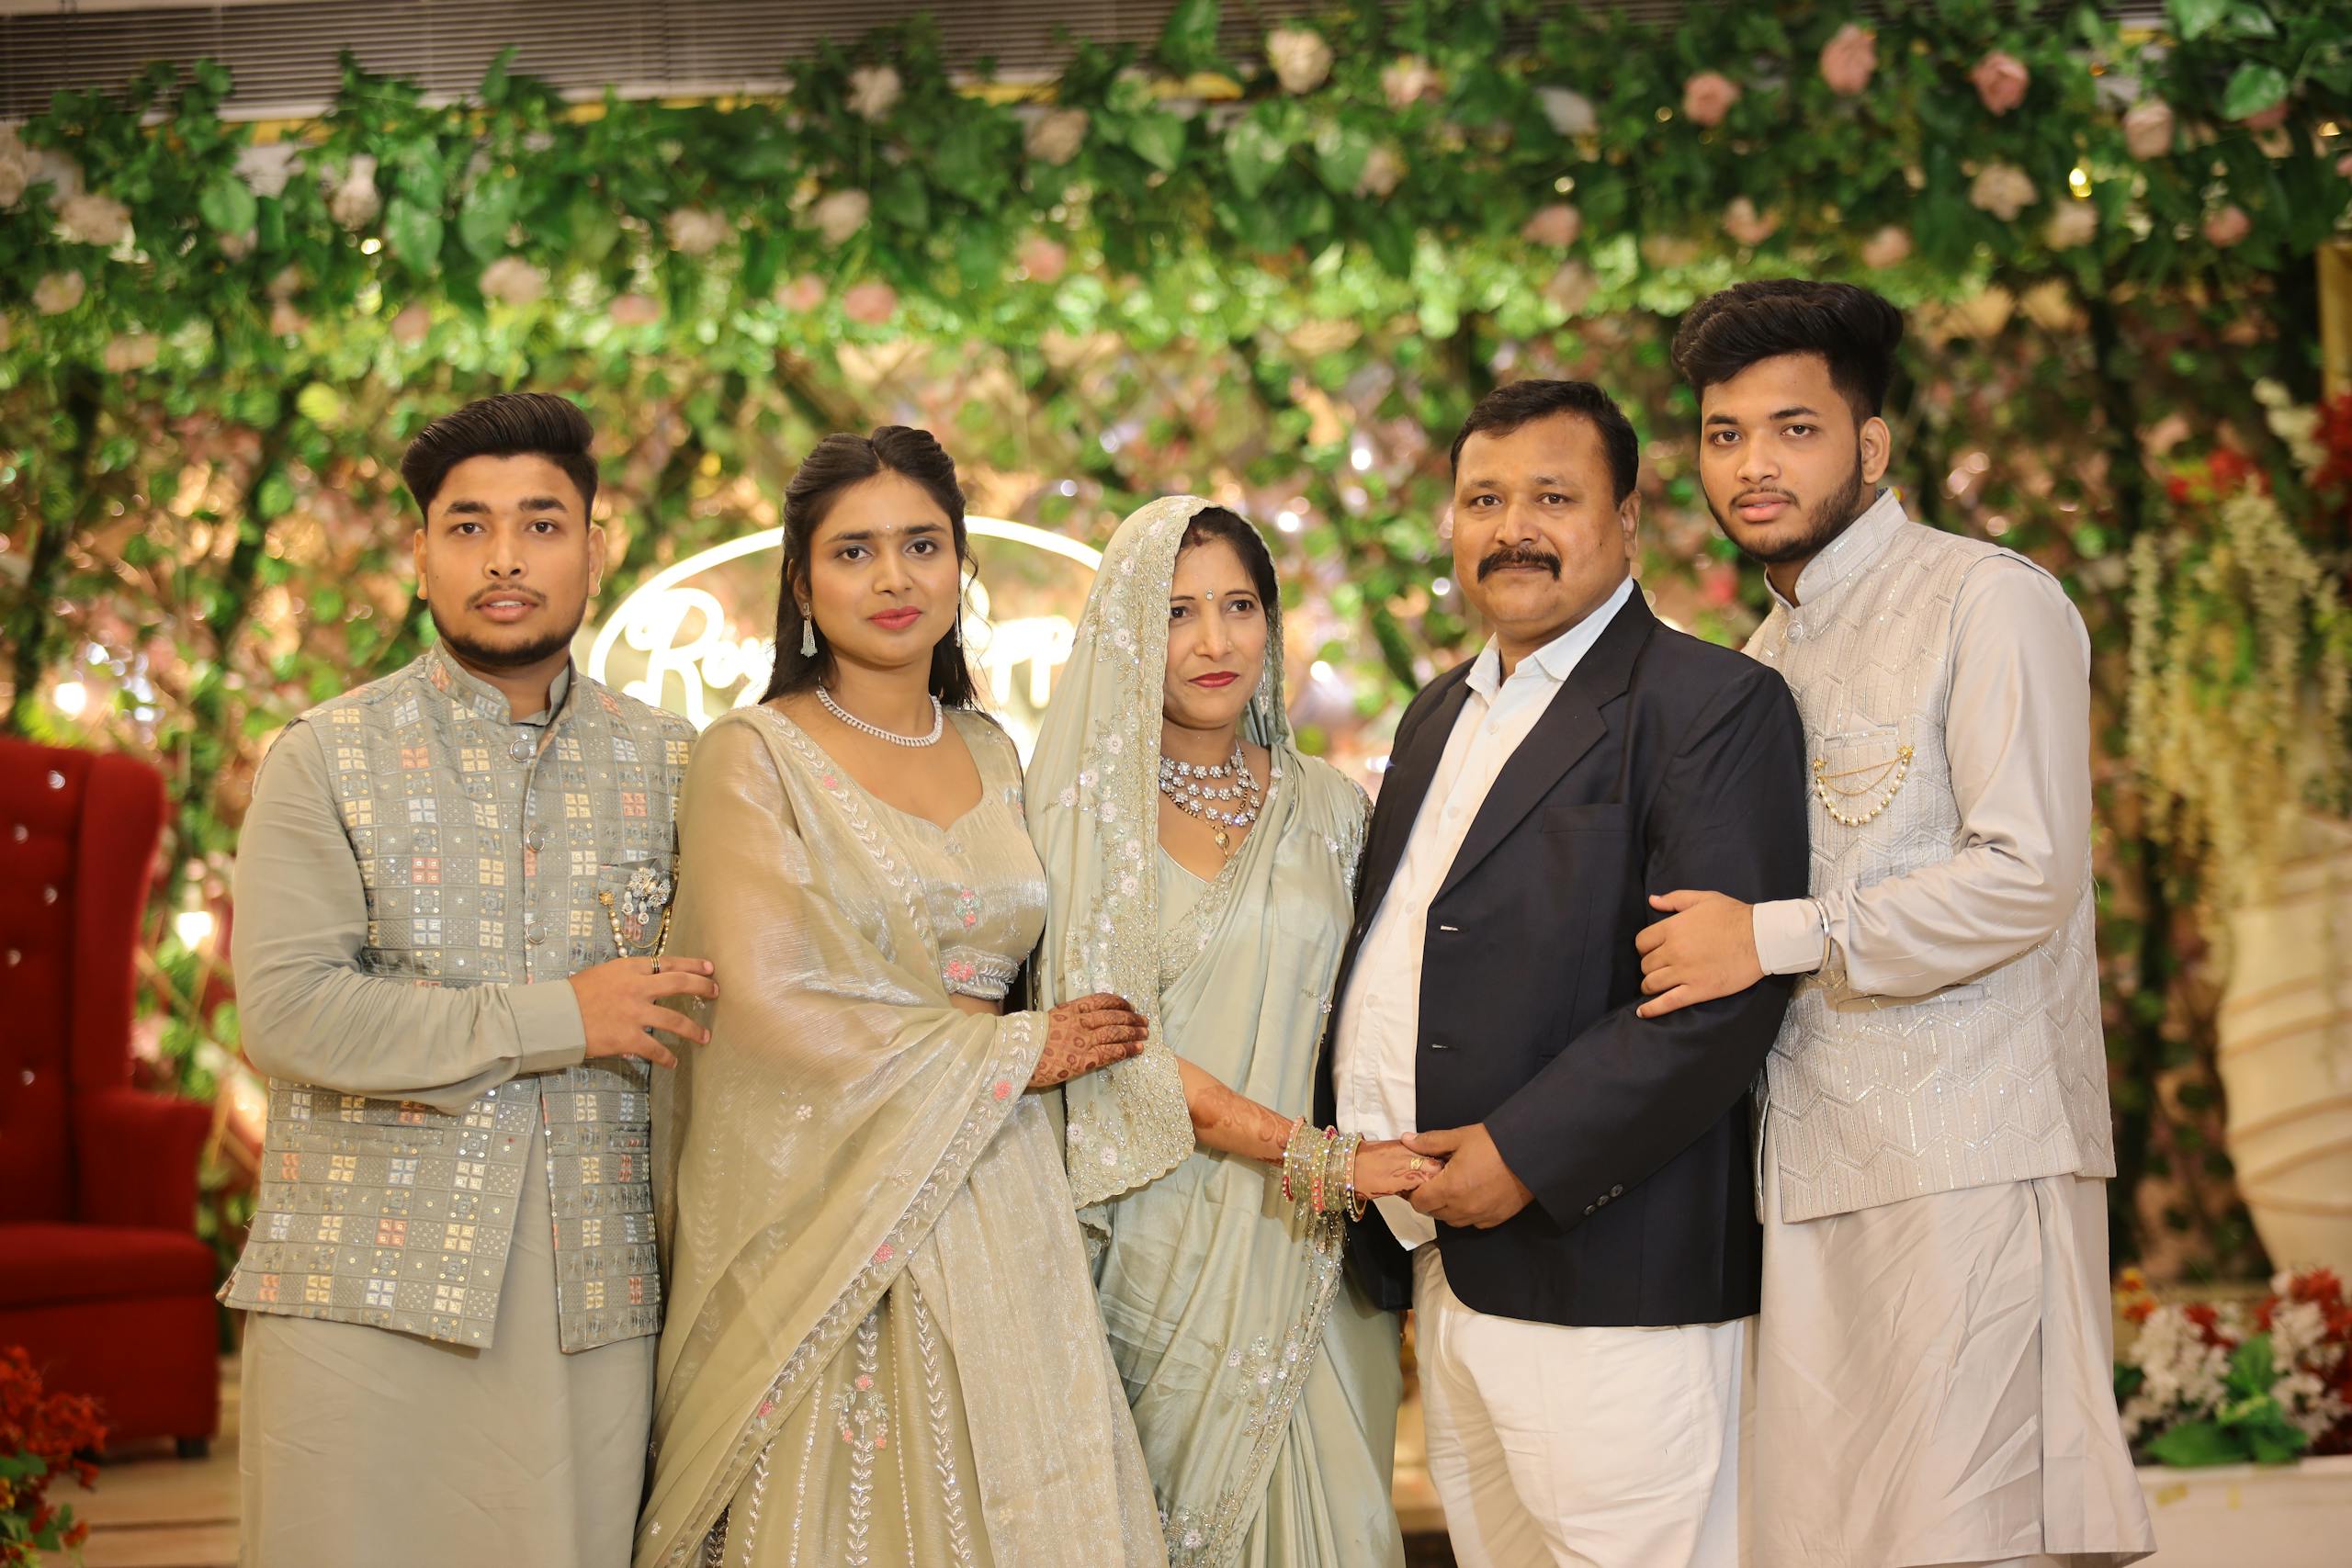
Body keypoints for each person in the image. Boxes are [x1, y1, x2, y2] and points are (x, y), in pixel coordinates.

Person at [1641, 277, 2155, 1568]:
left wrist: (1768, 936)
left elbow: (2027, 872)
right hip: (1802, 1186)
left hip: (1968, 1166)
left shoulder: (1987, 600)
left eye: (1794, 427)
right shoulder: (1755, 662)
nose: (1753, 463)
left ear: (1872, 444)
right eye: (1723, 432)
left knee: (1967, 1542)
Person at [636, 427, 1166, 1568]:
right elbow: (765, 1002)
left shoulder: (992, 748)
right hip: (836, 1206)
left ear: (961, 567)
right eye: (855, 552)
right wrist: (1009, 1053)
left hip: (1003, 1184)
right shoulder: (752, 754)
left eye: (922, 545)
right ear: (801, 583)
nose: (892, 579)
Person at [1318, 378, 1811, 1568]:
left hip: (1614, 1280)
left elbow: (1717, 1001)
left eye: (1552, 495)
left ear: (1628, 519)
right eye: (1483, 498)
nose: (1512, 527)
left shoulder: (1711, 706)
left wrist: (1521, 1156)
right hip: (1447, 1268)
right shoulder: (1440, 711)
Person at [223, 391, 712, 1568]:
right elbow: (288, 1014)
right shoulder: (324, 757)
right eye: (466, 525)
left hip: (594, 1298)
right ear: (421, 552)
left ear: (597, 545)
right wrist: (563, 1017)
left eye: (542, 524)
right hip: (357, 1287)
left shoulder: (679, 767)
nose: (504, 558)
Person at [1026, 496, 1431, 1568]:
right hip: (1146, 1247)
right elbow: (1104, 1042)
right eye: (1176, 612)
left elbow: (1379, 1018)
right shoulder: (1071, 817)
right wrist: (1306, 1154)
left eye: (1239, 606)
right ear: (1123, 630)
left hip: (1314, 1250)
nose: (1214, 643)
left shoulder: (1334, 809)